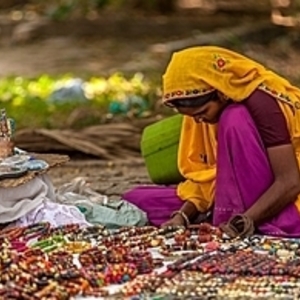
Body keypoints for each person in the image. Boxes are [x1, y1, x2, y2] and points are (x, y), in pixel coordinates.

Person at [123, 46, 300, 238]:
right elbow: (210, 177)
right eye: (193, 117)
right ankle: (228, 211)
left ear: (221, 93)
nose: (199, 121)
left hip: (285, 192)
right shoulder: (209, 112)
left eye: (202, 113)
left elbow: (290, 182)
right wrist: (182, 216)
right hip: (240, 188)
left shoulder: (261, 105)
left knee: (234, 118)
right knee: (135, 200)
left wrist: (243, 222)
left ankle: (243, 215)